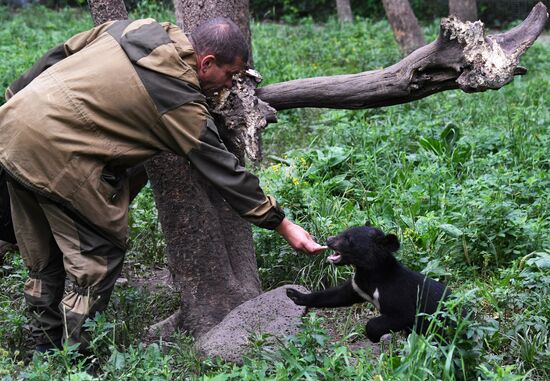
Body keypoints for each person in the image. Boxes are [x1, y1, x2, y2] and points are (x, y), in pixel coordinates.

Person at [0, 17, 326, 352]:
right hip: (53, 153)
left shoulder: (135, 28)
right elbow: (223, 169)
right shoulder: (179, 99)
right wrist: (282, 223)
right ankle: (74, 356)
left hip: (10, 129)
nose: (228, 86)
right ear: (207, 62)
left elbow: (60, 53)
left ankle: (43, 347)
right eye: (229, 75)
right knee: (98, 253)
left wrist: (13, 99)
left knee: (43, 253)